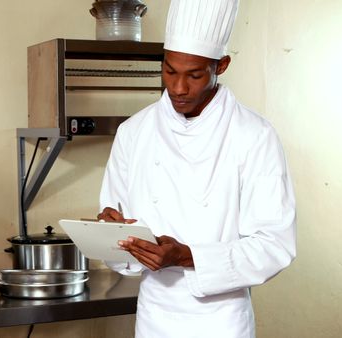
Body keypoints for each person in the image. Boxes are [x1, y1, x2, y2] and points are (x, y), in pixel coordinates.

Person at [96, 0, 297, 337]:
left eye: (194, 74)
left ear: (222, 65)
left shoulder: (254, 136)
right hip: (154, 316)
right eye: (170, 71)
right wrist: (112, 236)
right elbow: (118, 243)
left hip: (221, 320)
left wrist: (188, 257)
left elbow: (274, 245)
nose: (178, 88)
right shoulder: (134, 132)